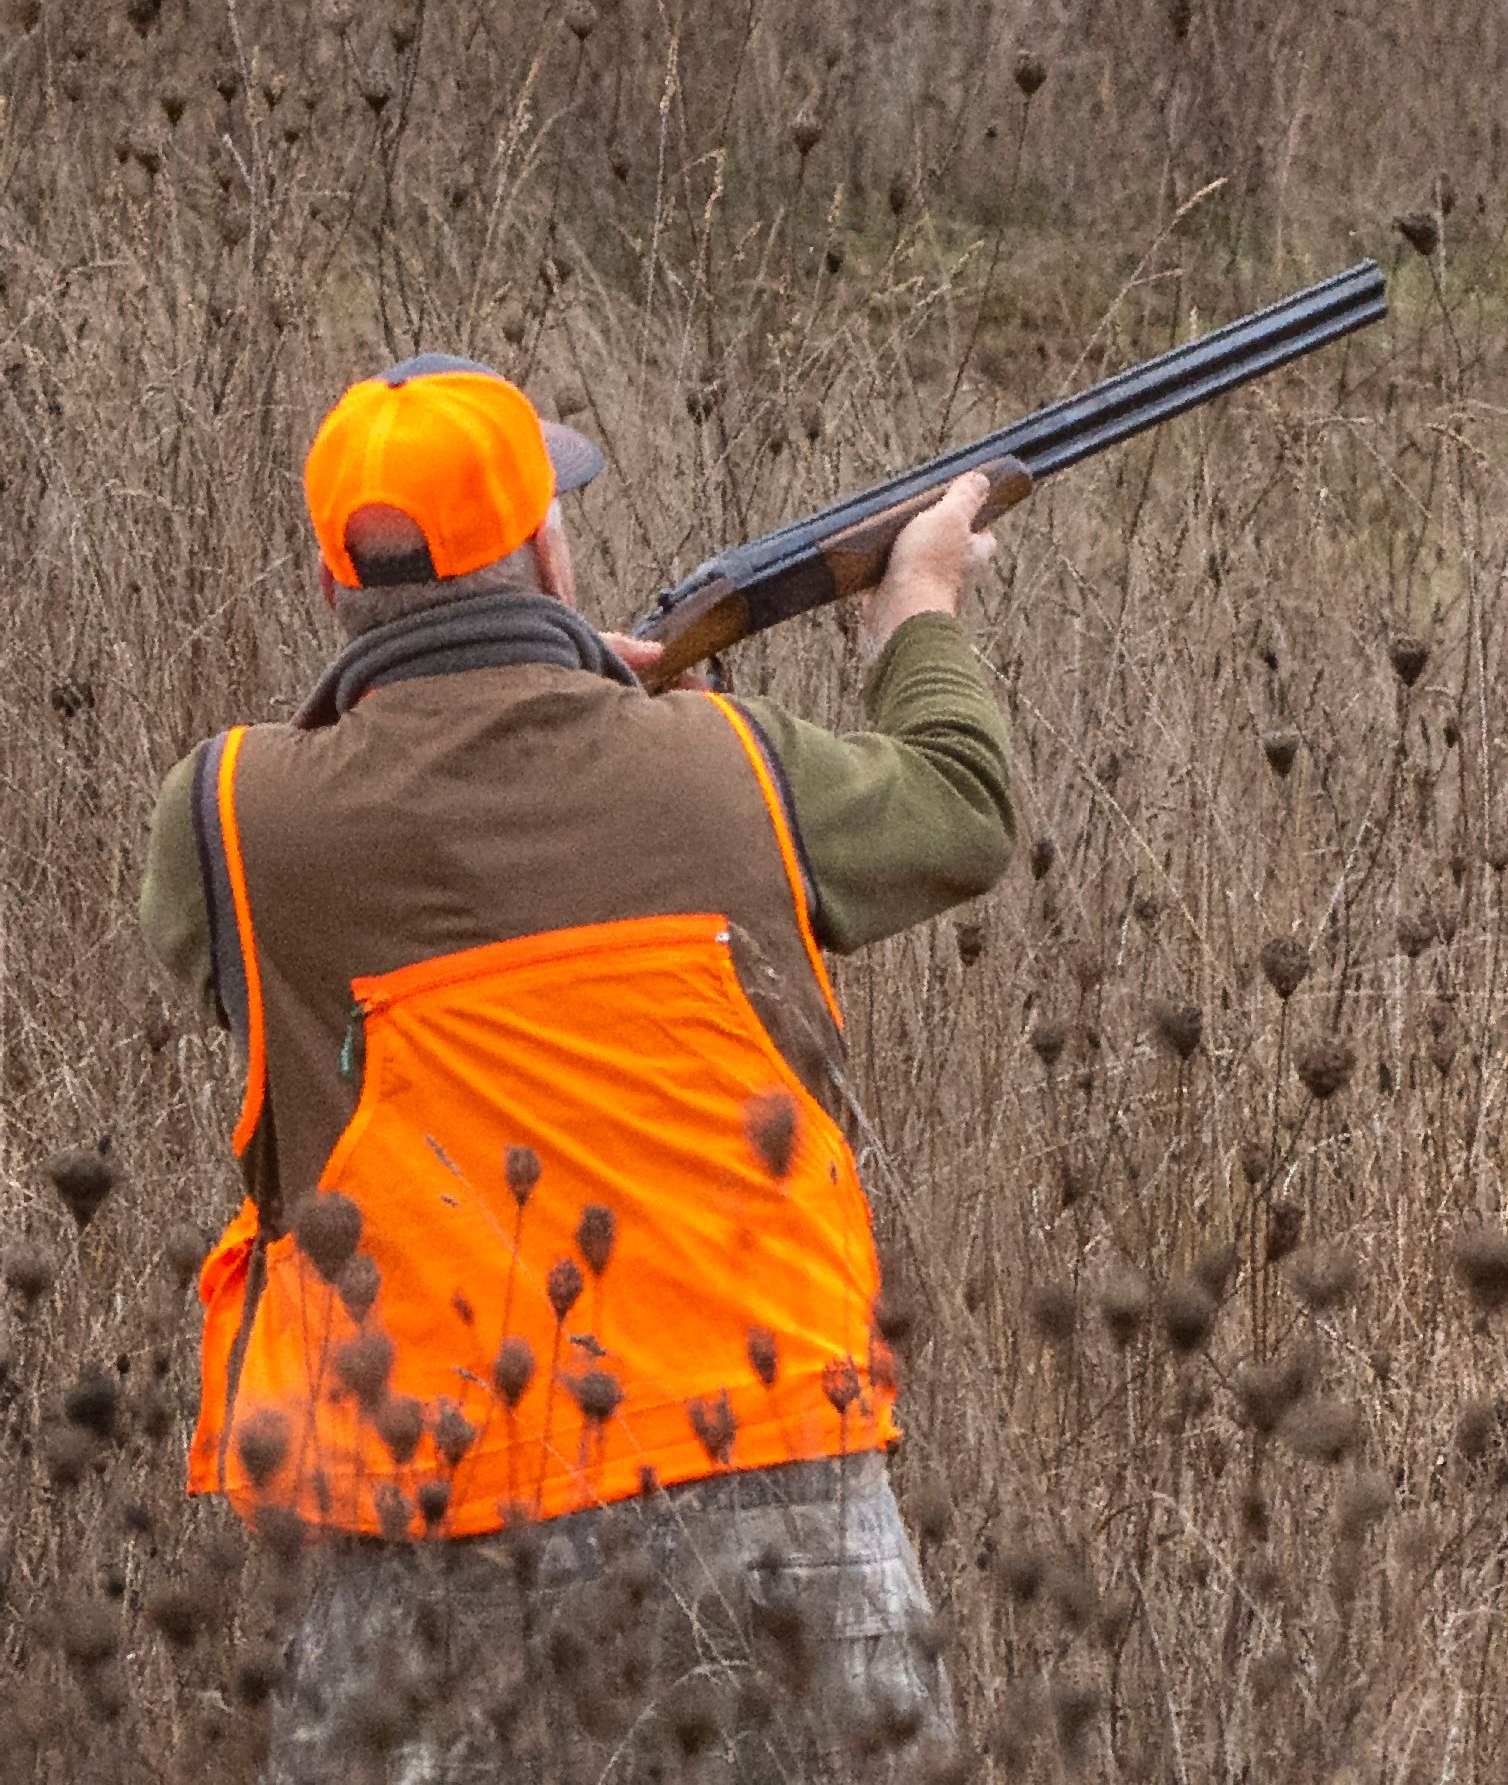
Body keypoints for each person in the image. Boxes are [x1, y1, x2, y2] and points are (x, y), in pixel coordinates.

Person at [133, 354, 1015, 1781]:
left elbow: (258, 917)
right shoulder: (732, 761)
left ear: (331, 587)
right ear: (550, 548)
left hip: (426, 1535)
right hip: (777, 1496)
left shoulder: (227, 823)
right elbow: (964, 810)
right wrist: (918, 604)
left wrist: (507, 695)